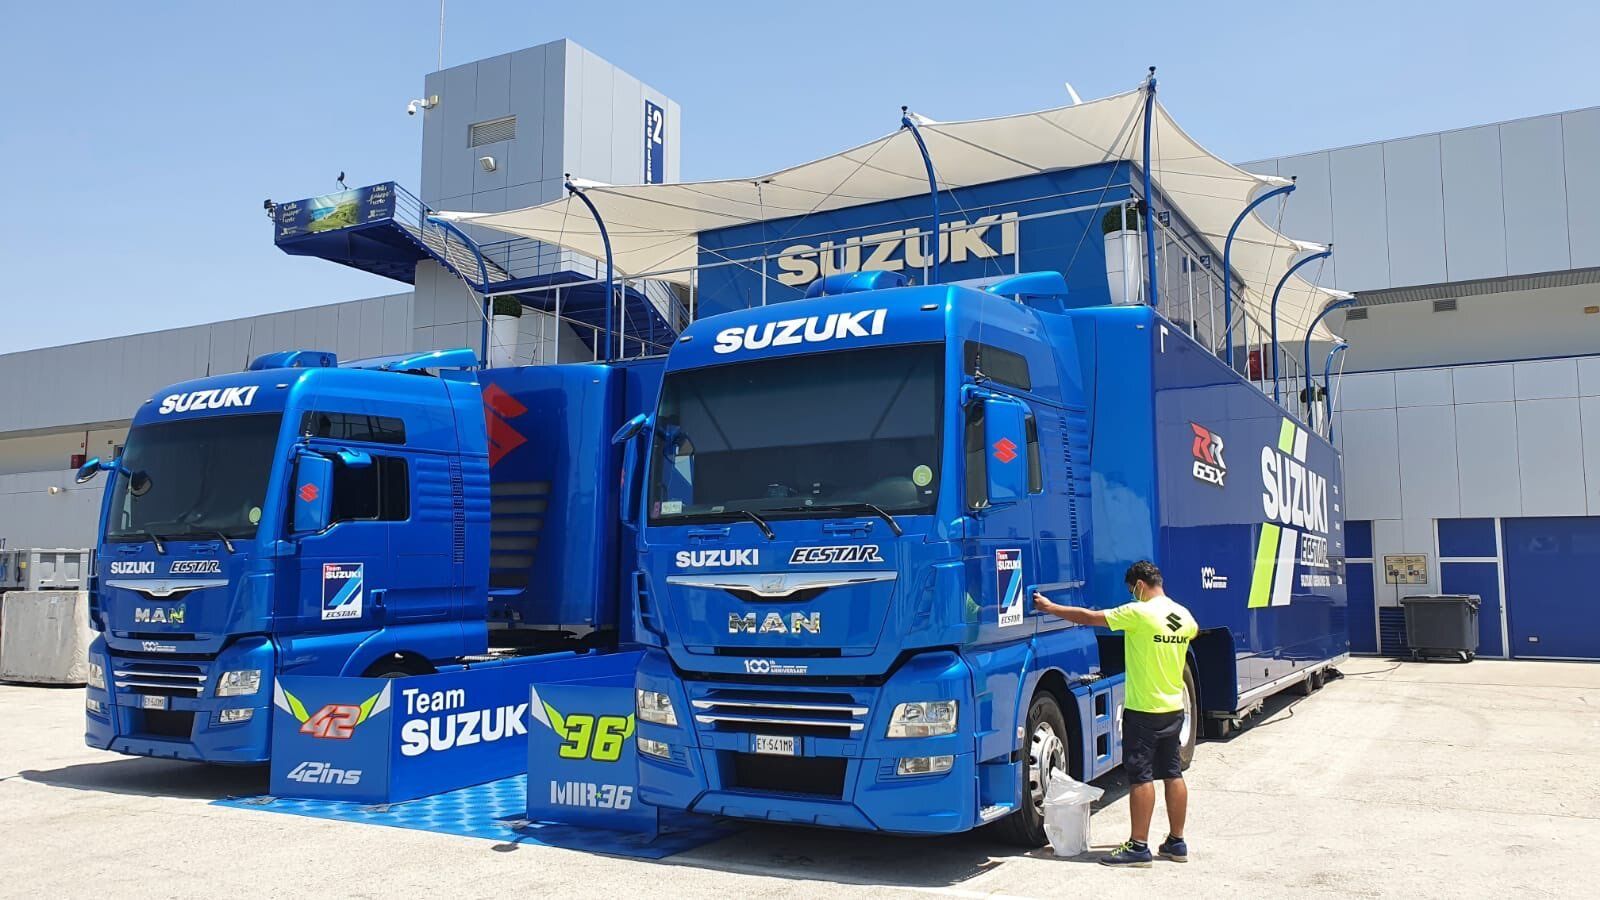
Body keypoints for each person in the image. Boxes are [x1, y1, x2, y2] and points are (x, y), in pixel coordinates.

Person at [1033, 560, 1198, 867]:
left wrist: (1050, 607)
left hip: (1144, 710)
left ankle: (1138, 847)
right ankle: (1177, 843)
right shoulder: (1183, 616)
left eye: (1131, 590)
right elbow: (1194, 631)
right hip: (1173, 708)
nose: (1132, 595)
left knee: (1141, 777)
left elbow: (1088, 617)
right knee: (1172, 773)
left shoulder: (1138, 613)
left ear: (1138, 585)